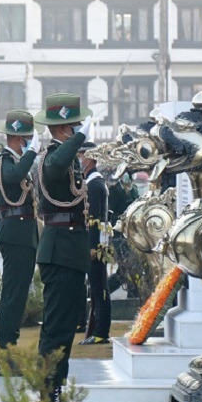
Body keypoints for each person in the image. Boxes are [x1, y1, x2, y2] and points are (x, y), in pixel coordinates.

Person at [32, 93, 93, 402]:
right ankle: (47, 396)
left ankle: (56, 392)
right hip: (60, 248)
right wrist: (80, 139)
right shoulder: (53, 157)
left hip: (69, 249)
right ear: (66, 127)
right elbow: (57, 168)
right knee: (56, 330)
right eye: (76, 126)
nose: (79, 130)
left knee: (66, 327)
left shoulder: (62, 157)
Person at [0, 110, 40, 358]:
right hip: (14, 235)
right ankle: (6, 350)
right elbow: (13, 176)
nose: (30, 143)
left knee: (18, 295)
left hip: (24, 235)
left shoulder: (15, 161)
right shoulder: (4, 162)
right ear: (20, 139)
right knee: (12, 295)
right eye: (29, 139)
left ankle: (11, 346)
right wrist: (31, 153)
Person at [80, 143, 112, 345]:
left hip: (97, 244)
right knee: (96, 286)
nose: (78, 160)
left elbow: (95, 218)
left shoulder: (94, 184)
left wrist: (92, 246)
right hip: (97, 242)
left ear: (90, 158)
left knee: (99, 288)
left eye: (80, 155)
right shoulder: (92, 181)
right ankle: (98, 328)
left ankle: (101, 331)